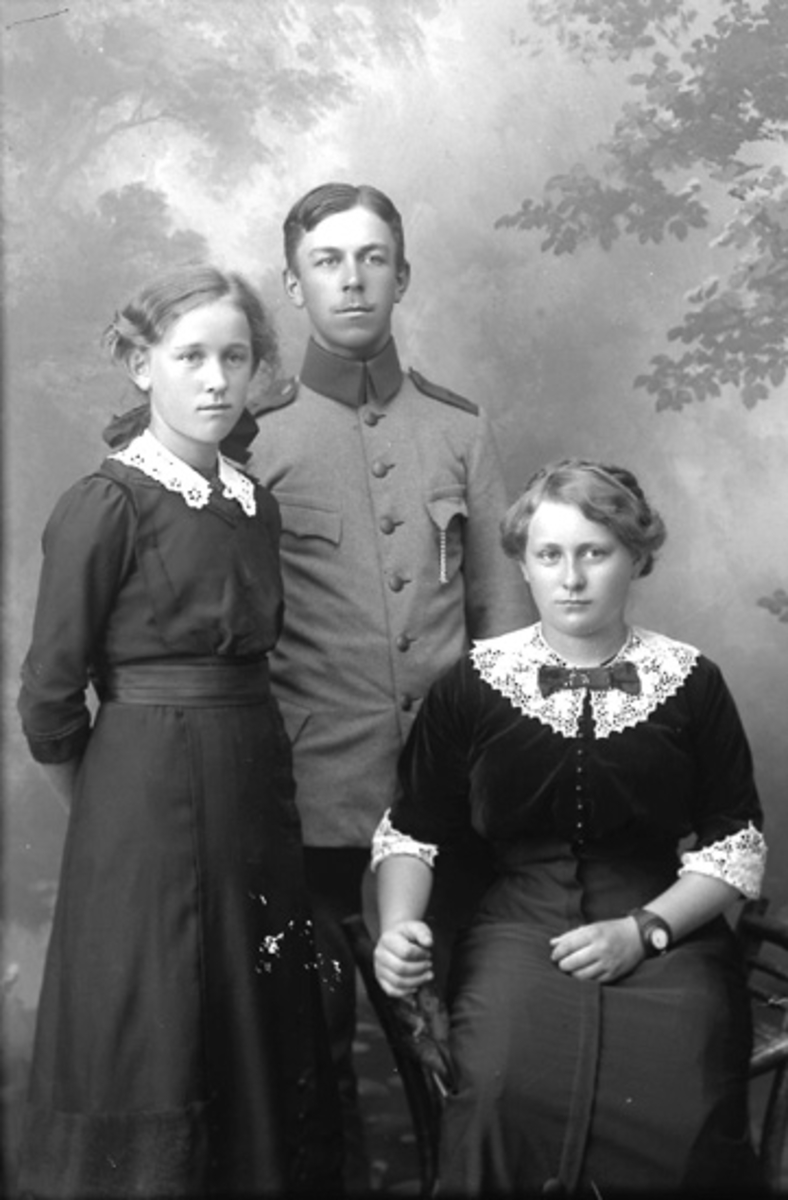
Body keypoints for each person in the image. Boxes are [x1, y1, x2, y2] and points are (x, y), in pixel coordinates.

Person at [15, 265, 342, 1198]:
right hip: (139, 799)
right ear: (140, 365)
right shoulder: (106, 503)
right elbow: (48, 699)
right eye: (190, 357)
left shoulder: (253, 504)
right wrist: (108, 808)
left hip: (253, 786)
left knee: (254, 1009)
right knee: (157, 1019)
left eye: (235, 358)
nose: (215, 380)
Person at [373, 457, 767, 1195]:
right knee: (497, 1093)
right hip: (516, 929)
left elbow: (734, 844)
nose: (572, 578)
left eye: (595, 552)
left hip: (667, 931)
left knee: (685, 1102)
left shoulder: (693, 682)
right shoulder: (474, 684)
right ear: (523, 565)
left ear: (636, 558)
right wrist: (398, 928)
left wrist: (644, 931)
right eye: (550, 555)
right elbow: (411, 833)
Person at [250, 181, 533, 1189]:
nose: (353, 279)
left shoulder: (458, 429)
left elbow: (504, 631)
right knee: (312, 1079)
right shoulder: (250, 437)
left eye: (373, 258)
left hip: (449, 813)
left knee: (461, 1062)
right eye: (327, 261)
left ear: (402, 276)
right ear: (293, 285)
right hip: (309, 814)